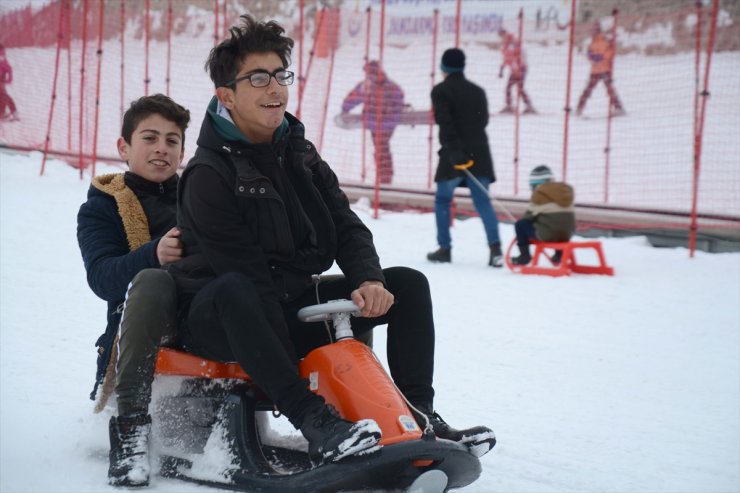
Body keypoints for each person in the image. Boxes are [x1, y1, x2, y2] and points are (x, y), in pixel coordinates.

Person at [168, 14, 496, 466]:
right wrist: (294, 374)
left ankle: (420, 417)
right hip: (221, 319)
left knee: (409, 283)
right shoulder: (209, 174)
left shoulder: (299, 152)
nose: (275, 89)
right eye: (258, 78)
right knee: (237, 289)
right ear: (227, 95)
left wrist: (369, 279)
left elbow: (345, 224)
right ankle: (314, 422)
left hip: (288, 302)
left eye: (281, 75)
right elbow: (244, 274)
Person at [77, 94, 190, 487]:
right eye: (150, 137)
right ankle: (130, 430)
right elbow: (102, 278)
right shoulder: (101, 208)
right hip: (141, 329)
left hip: (206, 312)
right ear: (124, 147)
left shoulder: (201, 197)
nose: (162, 148)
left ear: (182, 151)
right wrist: (152, 255)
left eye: (172, 140)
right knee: (153, 279)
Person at [426, 48, 503, 267]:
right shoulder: (477, 91)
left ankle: (444, 248)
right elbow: (483, 121)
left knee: (442, 200)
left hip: (453, 153)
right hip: (479, 152)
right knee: (483, 202)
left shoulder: (441, 90)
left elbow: (445, 122)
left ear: (443, 67)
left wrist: (455, 150)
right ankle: (495, 249)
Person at [341, 61, 405, 184]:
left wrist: (345, 108)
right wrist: (396, 113)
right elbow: (400, 97)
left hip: (377, 124)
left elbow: (353, 97)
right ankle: (385, 176)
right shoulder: (391, 85)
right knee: (382, 148)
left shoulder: (367, 85)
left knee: (381, 149)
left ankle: (385, 177)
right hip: (387, 124)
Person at [511, 165, 576, 265]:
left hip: (548, 235)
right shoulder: (564, 191)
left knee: (520, 225)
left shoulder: (539, 194)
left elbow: (529, 216)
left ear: (537, 185)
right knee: (557, 222)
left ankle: (524, 256)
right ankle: (559, 255)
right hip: (567, 234)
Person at [575, 23, 625, 117]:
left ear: (598, 30)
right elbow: (589, 53)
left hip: (605, 69)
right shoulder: (592, 42)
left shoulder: (605, 40)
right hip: (595, 70)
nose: (591, 32)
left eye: (594, 30)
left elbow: (611, 52)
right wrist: (590, 56)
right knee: (588, 90)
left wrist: (602, 57)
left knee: (610, 90)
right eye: (591, 30)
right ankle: (579, 109)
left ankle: (618, 108)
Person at [498, 29, 536, 115]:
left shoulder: (513, 44)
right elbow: (506, 59)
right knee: (509, 87)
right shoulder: (505, 46)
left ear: (506, 35)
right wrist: (502, 69)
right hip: (514, 70)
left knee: (519, 88)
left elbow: (519, 56)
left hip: (521, 69)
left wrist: (519, 69)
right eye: (500, 37)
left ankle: (528, 106)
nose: (501, 38)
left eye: (503, 36)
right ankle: (509, 106)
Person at [0, 44, 19, 121]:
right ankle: (5, 112)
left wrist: (9, 78)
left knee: (3, 95)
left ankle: (10, 112)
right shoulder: (2, 56)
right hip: (2, 77)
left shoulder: (1, 56)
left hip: (0, 78)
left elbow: (8, 68)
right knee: (2, 95)